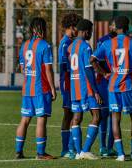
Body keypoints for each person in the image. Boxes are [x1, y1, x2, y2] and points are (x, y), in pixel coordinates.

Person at [91, 16, 132, 161]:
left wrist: (104, 73)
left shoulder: (107, 43)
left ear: (116, 28)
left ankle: (121, 154)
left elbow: (92, 60)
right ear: (127, 27)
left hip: (113, 86)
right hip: (129, 85)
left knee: (115, 119)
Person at [15, 17, 56, 160]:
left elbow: (22, 69)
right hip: (41, 89)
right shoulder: (45, 46)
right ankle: (40, 153)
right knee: (41, 120)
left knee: (24, 120)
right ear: (43, 29)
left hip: (27, 89)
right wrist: (52, 88)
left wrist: (30, 75)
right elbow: (48, 70)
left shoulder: (25, 45)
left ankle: (18, 152)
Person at [68, 19, 102, 160]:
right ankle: (86, 150)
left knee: (77, 118)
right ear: (86, 31)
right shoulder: (86, 47)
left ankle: (78, 152)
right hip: (86, 88)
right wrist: (95, 90)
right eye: (91, 32)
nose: (91, 34)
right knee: (97, 116)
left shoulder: (71, 47)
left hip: (74, 87)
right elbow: (88, 70)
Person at [58, 13, 81, 159]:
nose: (75, 31)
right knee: (68, 115)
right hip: (68, 83)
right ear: (69, 27)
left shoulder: (71, 42)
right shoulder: (65, 43)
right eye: (73, 28)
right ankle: (66, 149)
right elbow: (64, 65)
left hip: (73, 82)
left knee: (74, 114)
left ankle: (71, 148)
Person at [96, 21, 117, 157]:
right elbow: (96, 60)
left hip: (116, 82)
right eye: (114, 25)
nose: (116, 28)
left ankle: (110, 147)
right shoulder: (103, 41)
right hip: (104, 82)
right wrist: (105, 73)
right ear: (110, 27)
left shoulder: (123, 41)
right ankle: (103, 147)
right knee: (104, 115)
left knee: (114, 114)